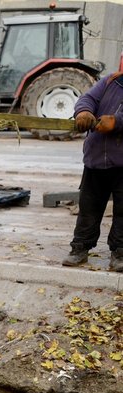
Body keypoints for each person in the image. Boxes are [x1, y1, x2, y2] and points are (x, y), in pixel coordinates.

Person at [64, 71, 123, 272]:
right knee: (89, 207)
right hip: (96, 160)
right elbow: (87, 98)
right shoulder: (110, 81)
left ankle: (120, 253)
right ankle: (79, 249)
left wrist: (117, 122)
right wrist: (84, 112)